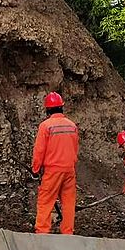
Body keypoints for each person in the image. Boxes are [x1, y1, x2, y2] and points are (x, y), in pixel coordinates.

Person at [31, 92, 79, 234]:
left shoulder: (46, 126)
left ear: (48, 109)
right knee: (68, 202)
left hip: (53, 170)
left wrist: (35, 170)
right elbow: (75, 148)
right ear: (61, 107)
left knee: (45, 201)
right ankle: (68, 232)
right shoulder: (72, 126)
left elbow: (39, 150)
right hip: (69, 170)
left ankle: (42, 232)